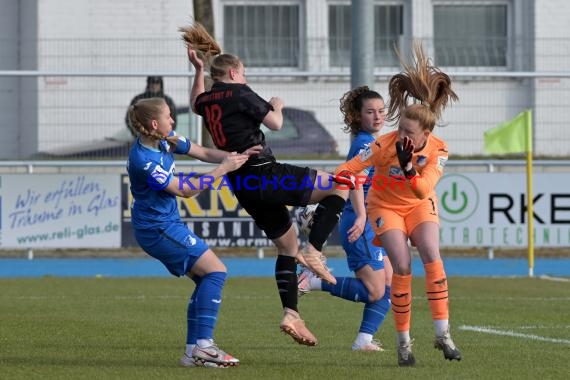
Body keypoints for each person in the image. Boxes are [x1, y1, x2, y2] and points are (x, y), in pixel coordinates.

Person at [180, 22, 351, 347]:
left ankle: (291, 313)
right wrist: (278, 104)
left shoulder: (210, 99)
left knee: (286, 247)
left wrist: (198, 70)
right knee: (340, 184)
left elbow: (195, 102)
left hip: (242, 183)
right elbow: (275, 122)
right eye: (243, 73)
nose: (245, 78)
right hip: (265, 172)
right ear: (233, 73)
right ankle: (314, 251)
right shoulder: (239, 92)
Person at [335, 44, 462, 366]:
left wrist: (407, 168)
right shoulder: (383, 144)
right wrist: (331, 186)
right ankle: (404, 342)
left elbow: (422, 191)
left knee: (432, 254)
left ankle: (443, 334)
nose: (400, 135)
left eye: (408, 132)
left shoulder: (439, 150)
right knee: (402, 266)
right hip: (385, 207)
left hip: (419, 204)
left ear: (426, 134)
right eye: (400, 128)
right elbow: (347, 170)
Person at [126, 97, 261, 368]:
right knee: (216, 271)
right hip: (157, 229)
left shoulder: (165, 139)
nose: (172, 121)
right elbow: (185, 190)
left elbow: (203, 152)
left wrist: (237, 157)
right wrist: (224, 170)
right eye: (168, 116)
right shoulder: (143, 160)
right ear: (155, 123)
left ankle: (192, 352)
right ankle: (204, 346)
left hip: (166, 224)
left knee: (205, 279)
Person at [297, 86, 393, 352]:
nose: (377, 116)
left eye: (381, 111)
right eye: (370, 112)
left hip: (374, 222)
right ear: (358, 116)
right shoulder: (364, 144)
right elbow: (353, 181)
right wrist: (362, 216)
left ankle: (364, 340)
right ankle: (311, 280)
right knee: (375, 290)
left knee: (389, 282)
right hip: (361, 223)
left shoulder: (375, 142)